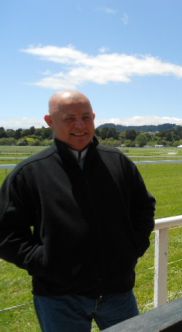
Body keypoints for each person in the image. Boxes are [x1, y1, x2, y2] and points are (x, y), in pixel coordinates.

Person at [0, 90, 156, 331]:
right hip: (58, 298)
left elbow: (144, 208)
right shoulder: (30, 173)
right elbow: (6, 234)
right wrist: (44, 261)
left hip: (118, 292)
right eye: (69, 118)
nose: (80, 125)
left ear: (94, 117)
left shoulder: (118, 162)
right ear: (50, 121)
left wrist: (133, 248)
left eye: (86, 117)